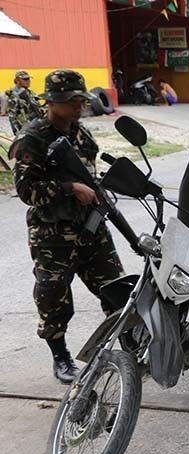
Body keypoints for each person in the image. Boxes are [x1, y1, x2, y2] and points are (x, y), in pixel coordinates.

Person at [9, 70, 125, 383]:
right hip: (53, 235)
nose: (79, 107)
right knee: (53, 296)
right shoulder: (32, 139)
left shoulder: (80, 133)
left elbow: (90, 170)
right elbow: (27, 191)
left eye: (81, 101)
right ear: (51, 102)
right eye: (71, 101)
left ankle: (128, 347)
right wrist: (69, 189)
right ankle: (61, 357)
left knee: (116, 288)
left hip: (91, 227)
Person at [5, 70, 44, 135]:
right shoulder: (13, 94)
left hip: (35, 124)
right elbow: (12, 116)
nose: (28, 81)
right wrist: (18, 133)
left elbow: (37, 107)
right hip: (24, 128)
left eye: (28, 79)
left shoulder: (30, 92)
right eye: (25, 79)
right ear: (17, 80)